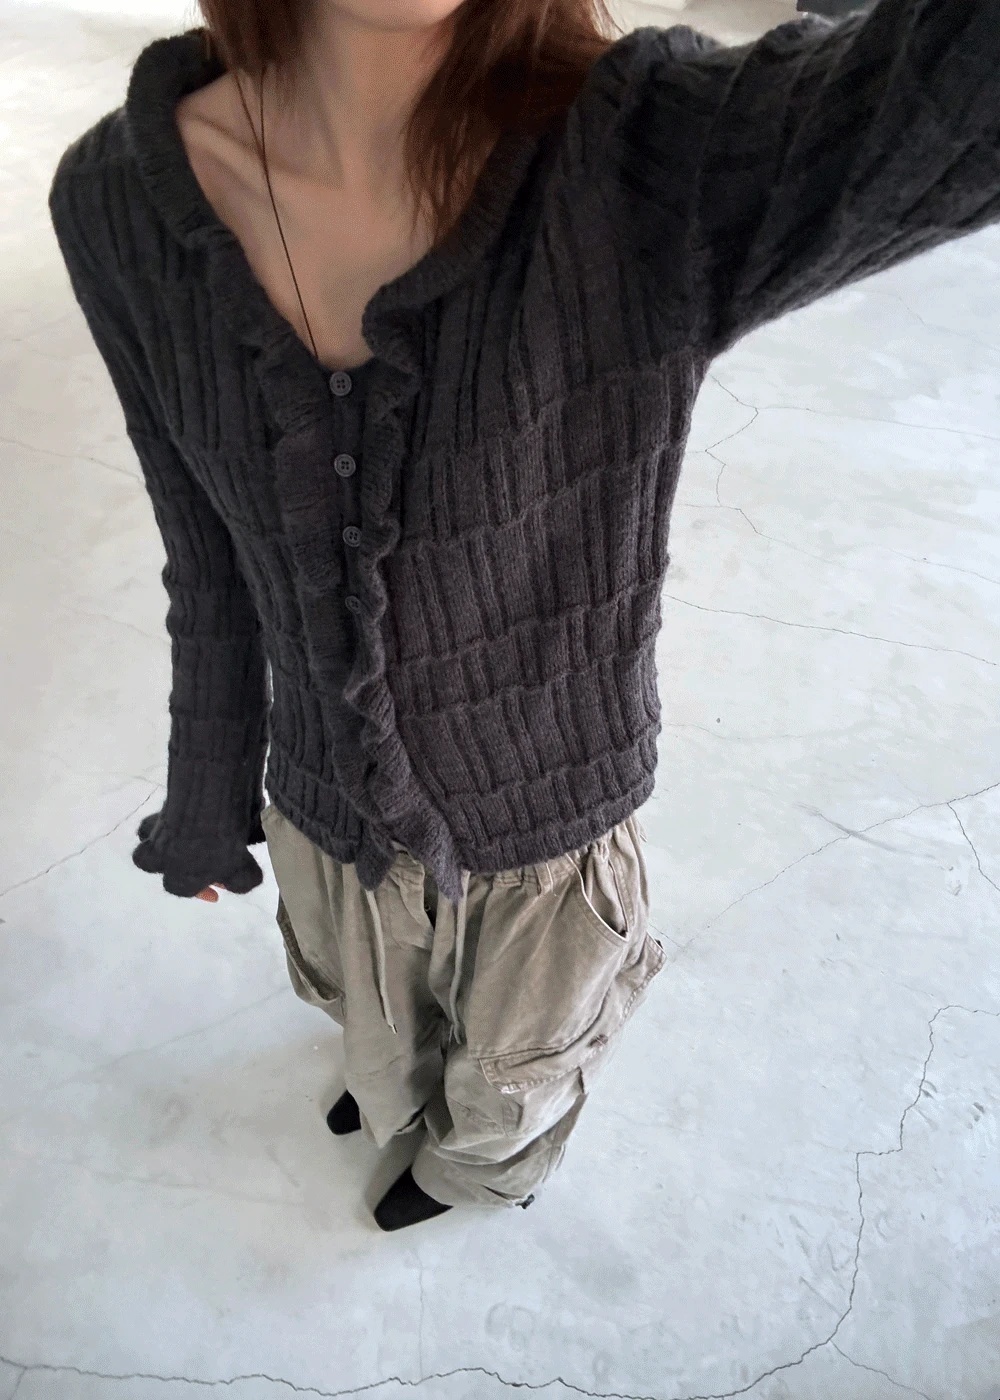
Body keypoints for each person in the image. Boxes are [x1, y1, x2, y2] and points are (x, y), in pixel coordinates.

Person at [48, 0, 1000, 1231]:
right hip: (321, 819)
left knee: (511, 1077)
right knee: (364, 1021)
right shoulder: (120, 203)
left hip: (547, 847)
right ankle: (394, 1099)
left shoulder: (643, 160)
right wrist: (203, 795)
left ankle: (475, 1172)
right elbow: (207, 557)